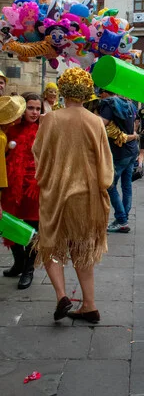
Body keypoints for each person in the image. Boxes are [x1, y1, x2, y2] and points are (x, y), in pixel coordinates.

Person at [33, 68, 114, 323]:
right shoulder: (95, 122)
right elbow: (105, 162)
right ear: (88, 91)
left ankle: (61, 296)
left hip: (56, 193)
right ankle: (89, 305)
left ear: (63, 90)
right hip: (86, 196)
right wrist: (103, 187)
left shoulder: (51, 119)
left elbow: (38, 154)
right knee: (82, 249)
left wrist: (44, 179)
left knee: (50, 245)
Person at [2, 93, 42, 289]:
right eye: (30, 108)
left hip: (35, 188)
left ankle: (29, 269)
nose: (34, 112)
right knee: (10, 225)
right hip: (13, 186)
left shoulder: (44, 131)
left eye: (38, 109)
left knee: (34, 228)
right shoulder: (11, 130)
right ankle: (19, 262)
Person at [98, 90, 138, 233]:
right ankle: (123, 218)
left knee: (109, 184)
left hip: (119, 152)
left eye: (101, 92)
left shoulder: (109, 104)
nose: (99, 95)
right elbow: (134, 125)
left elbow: (100, 124)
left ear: (105, 92)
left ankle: (121, 220)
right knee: (126, 185)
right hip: (132, 150)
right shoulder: (129, 104)